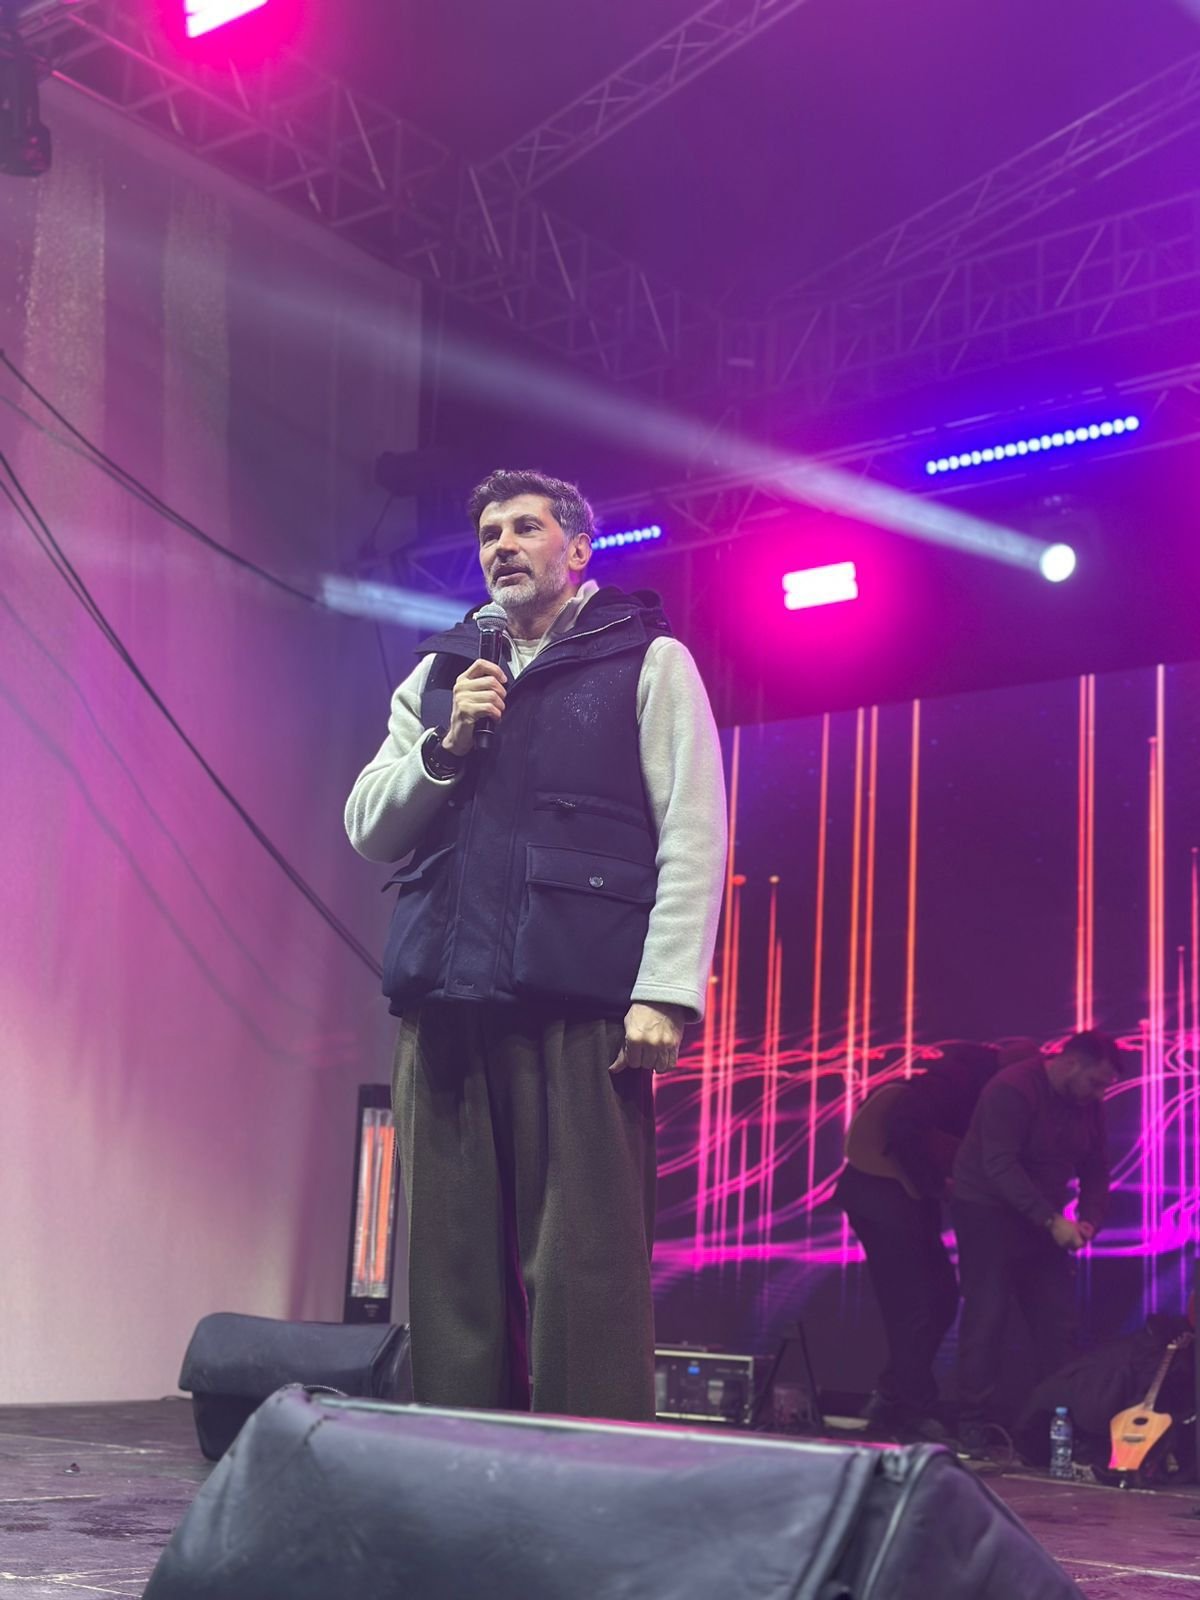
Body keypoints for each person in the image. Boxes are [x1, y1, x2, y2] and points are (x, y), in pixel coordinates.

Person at [344, 468, 726, 1422]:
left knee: (585, 1264)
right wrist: (444, 748)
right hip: (444, 1005)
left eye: (525, 528)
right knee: (448, 1268)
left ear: (578, 550)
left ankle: (589, 1472)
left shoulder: (647, 659)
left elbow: (693, 832)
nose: (502, 546)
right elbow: (367, 826)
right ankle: (460, 1462)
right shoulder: (441, 675)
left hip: (579, 1009)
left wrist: (666, 991)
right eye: (488, 534)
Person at [951, 1030, 1120, 1450]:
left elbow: (1096, 1168)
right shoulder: (1012, 1089)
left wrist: (1089, 1219)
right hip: (987, 1209)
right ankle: (972, 1421)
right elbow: (999, 1165)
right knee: (987, 1315)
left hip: (1043, 1216)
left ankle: (1059, 1423)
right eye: (1095, 1083)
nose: (1099, 1094)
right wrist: (1050, 1219)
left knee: (1057, 1322)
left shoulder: (1088, 1104)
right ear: (1070, 1063)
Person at [834, 1042, 1009, 1441]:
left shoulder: (945, 1086)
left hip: (889, 1203)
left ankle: (894, 1396)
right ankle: (911, 1409)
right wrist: (935, 1184)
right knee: (917, 1307)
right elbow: (905, 1131)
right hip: (886, 1203)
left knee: (935, 1301)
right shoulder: (945, 1088)